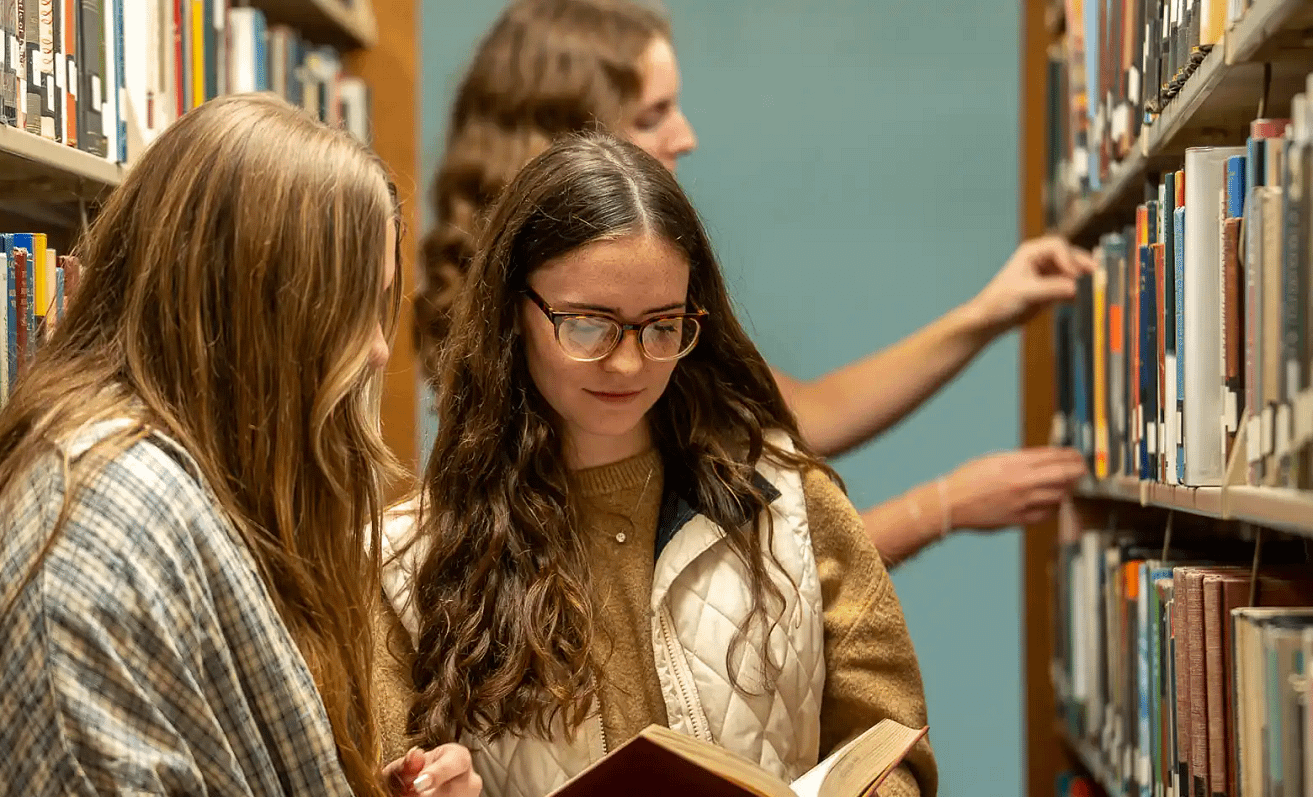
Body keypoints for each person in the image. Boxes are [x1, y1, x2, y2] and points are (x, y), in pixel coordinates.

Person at [0, 93, 610, 797]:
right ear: (265, 306)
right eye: (358, 307)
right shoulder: (95, 528)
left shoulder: (185, 493)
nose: (374, 351)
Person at [382, 131, 938, 797]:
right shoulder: (410, 553)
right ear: (515, 311)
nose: (629, 363)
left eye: (662, 325)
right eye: (589, 325)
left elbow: (893, 746)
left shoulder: (787, 500)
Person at [415, 0, 1090, 566]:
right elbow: (713, 584)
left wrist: (988, 313)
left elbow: (797, 415)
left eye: (659, 329)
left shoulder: (644, 297)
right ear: (574, 136)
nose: (687, 136)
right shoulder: (549, 333)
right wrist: (943, 506)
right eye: (652, 115)